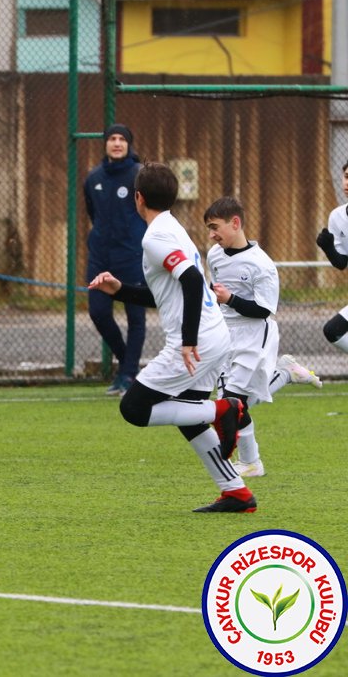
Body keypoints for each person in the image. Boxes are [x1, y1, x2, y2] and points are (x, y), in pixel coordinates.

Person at [89, 162, 255, 513]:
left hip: (198, 341)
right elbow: (168, 294)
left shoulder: (156, 236)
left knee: (133, 408)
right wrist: (119, 290)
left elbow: (193, 281)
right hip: (213, 336)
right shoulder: (172, 228)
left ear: (138, 198)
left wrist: (188, 340)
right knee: (186, 415)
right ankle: (236, 492)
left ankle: (225, 409)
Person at [204, 197, 322, 479]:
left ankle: (251, 463)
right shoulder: (214, 255)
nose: (211, 234)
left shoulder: (262, 265)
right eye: (209, 228)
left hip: (255, 334)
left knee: (232, 401)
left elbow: (263, 311)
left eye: (215, 227)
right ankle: (285, 374)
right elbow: (215, 293)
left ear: (235, 223)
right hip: (224, 333)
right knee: (230, 402)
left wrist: (230, 298)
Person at [84, 123, 147, 396]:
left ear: (129, 144)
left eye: (122, 139)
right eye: (112, 138)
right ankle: (128, 366)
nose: (117, 143)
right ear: (105, 144)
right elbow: (92, 212)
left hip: (131, 255)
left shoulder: (139, 174)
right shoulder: (93, 177)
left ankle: (128, 375)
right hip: (100, 257)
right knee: (98, 312)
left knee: (136, 315)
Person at [317, 160, 348, 353]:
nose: (347, 183)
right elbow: (341, 262)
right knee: (333, 330)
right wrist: (328, 247)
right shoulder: (337, 216)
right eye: (346, 177)